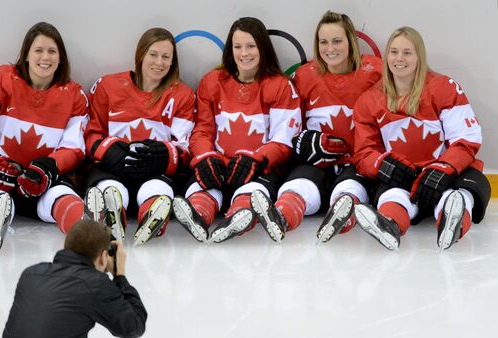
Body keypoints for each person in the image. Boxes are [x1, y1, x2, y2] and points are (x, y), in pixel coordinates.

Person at [352, 26, 491, 251]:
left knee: (463, 191)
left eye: (407, 52)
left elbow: (466, 139)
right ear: (386, 56)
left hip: (445, 174)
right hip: (405, 177)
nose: (399, 58)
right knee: (391, 194)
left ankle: (452, 220)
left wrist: (444, 168)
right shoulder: (369, 100)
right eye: (394, 52)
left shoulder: (443, 88)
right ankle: (389, 225)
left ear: (419, 56)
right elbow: (364, 152)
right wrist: (382, 165)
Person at [249, 11, 382, 242]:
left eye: (337, 41)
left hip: (357, 160)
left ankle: (342, 217)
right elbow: (290, 124)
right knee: (298, 186)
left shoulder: (377, 72)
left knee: (349, 190)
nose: (330, 48)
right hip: (318, 161)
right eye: (323, 42)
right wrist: (303, 142)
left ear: (351, 41)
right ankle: (280, 218)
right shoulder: (305, 76)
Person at [0, 22, 90, 254]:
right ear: (26, 55)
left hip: (39, 182)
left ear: (60, 58)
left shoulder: (75, 96)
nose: (45, 57)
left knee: (61, 192)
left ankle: (78, 222)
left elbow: (74, 148)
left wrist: (50, 166)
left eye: (52, 51)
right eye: (38, 50)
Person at [172, 17, 301, 243]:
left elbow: (283, 139)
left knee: (252, 191)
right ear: (230, 50)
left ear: (263, 47)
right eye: (237, 46)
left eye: (251, 46)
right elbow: (202, 130)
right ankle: (199, 216)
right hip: (221, 161)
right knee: (203, 184)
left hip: (258, 166)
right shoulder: (212, 81)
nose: (244, 53)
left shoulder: (279, 85)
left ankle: (237, 218)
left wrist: (258, 159)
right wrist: (205, 157)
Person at [84, 27, 195, 244]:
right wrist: (108, 151)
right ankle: (111, 212)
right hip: (112, 168)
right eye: (153, 54)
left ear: (173, 62)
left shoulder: (182, 95)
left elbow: (184, 149)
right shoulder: (109, 85)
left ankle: (152, 214)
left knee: (158, 189)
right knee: (110, 187)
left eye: (166, 57)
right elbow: (91, 132)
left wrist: (166, 155)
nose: (159, 62)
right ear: (141, 54)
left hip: (153, 171)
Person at [0, 219, 147, 338]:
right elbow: (133, 326)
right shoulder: (93, 283)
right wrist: (120, 276)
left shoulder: (31, 274)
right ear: (103, 256)